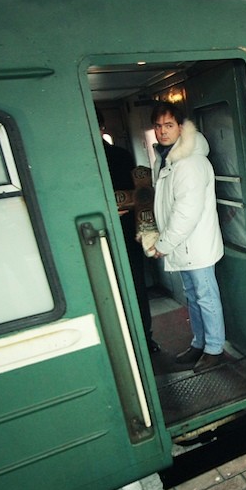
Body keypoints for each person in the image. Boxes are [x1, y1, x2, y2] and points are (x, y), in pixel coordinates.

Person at [144, 101, 226, 373]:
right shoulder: (168, 159)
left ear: (180, 127)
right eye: (158, 126)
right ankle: (199, 342)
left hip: (195, 245)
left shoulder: (189, 162)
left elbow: (185, 214)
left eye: (169, 125)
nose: (162, 131)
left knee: (205, 296)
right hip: (183, 245)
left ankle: (214, 348)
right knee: (193, 295)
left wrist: (163, 245)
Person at [102, 134, 160, 353]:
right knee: (134, 285)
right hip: (126, 230)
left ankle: (136, 341)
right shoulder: (122, 155)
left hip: (121, 230)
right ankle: (144, 339)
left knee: (126, 286)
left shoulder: (120, 156)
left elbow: (137, 193)